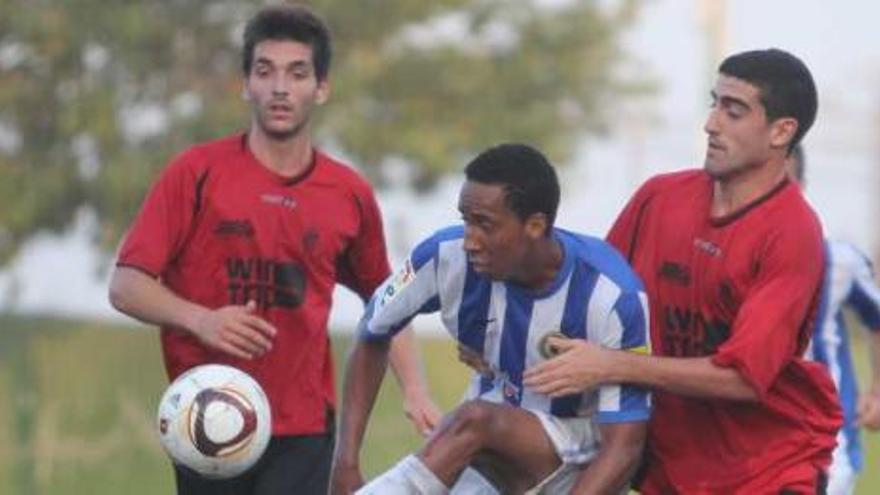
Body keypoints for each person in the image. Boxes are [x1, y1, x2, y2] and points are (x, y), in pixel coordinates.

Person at [107, 4, 439, 494]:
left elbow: (388, 300)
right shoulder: (196, 174)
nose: (280, 87)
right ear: (246, 84)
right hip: (207, 415)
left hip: (303, 428)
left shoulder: (347, 193)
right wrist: (202, 320)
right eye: (265, 71)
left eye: (297, 72)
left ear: (321, 87)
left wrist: (414, 388)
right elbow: (126, 286)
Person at [524, 48, 843, 493]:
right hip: (671, 467)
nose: (711, 123)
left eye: (733, 112)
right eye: (715, 104)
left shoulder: (792, 232)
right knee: (483, 429)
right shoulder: (659, 197)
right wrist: (509, 341)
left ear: (781, 131)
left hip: (769, 470)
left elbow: (743, 380)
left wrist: (613, 366)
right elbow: (586, 304)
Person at [330, 143, 651, 494]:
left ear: (535, 225)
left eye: (484, 224)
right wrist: (345, 463)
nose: (470, 240)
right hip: (486, 450)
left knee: (474, 419)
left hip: (575, 463)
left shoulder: (611, 295)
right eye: (466, 220)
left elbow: (624, 448)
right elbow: (372, 332)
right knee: (472, 421)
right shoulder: (443, 258)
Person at [787, 145, 880, 495]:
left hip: (829, 445)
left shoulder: (838, 261)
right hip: (751, 441)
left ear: (802, 188)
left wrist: (877, 392)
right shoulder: (724, 257)